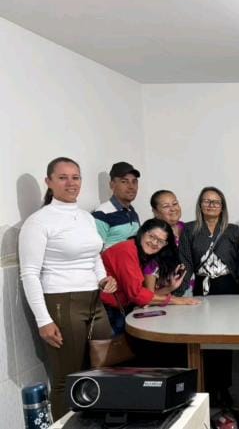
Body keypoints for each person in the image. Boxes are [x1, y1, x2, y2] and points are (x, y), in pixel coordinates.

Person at [18, 157, 118, 420]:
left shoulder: (85, 217)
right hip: (62, 303)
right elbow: (29, 274)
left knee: (102, 371)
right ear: (49, 182)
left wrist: (104, 279)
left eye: (75, 177)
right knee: (67, 378)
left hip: (95, 301)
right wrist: (44, 320)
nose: (70, 183)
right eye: (62, 177)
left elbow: (94, 256)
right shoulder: (39, 221)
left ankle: (95, 422)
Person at [178, 186, 239, 407]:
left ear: (223, 207)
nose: (211, 205)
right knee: (205, 339)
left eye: (216, 202)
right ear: (200, 205)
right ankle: (208, 387)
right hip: (203, 288)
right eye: (207, 201)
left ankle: (224, 388)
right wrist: (179, 294)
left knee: (224, 339)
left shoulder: (231, 230)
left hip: (228, 287)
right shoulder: (190, 229)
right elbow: (186, 263)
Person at [100, 219, 200, 335]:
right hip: (107, 309)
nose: (154, 243)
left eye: (160, 241)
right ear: (142, 232)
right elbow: (137, 294)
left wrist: (170, 288)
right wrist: (175, 300)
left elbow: (144, 294)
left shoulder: (143, 254)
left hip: (120, 307)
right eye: (152, 236)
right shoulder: (127, 250)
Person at [93, 161, 141, 249]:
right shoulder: (101, 214)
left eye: (134, 182)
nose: (131, 186)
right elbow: (96, 252)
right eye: (124, 181)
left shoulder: (132, 212)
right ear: (112, 185)